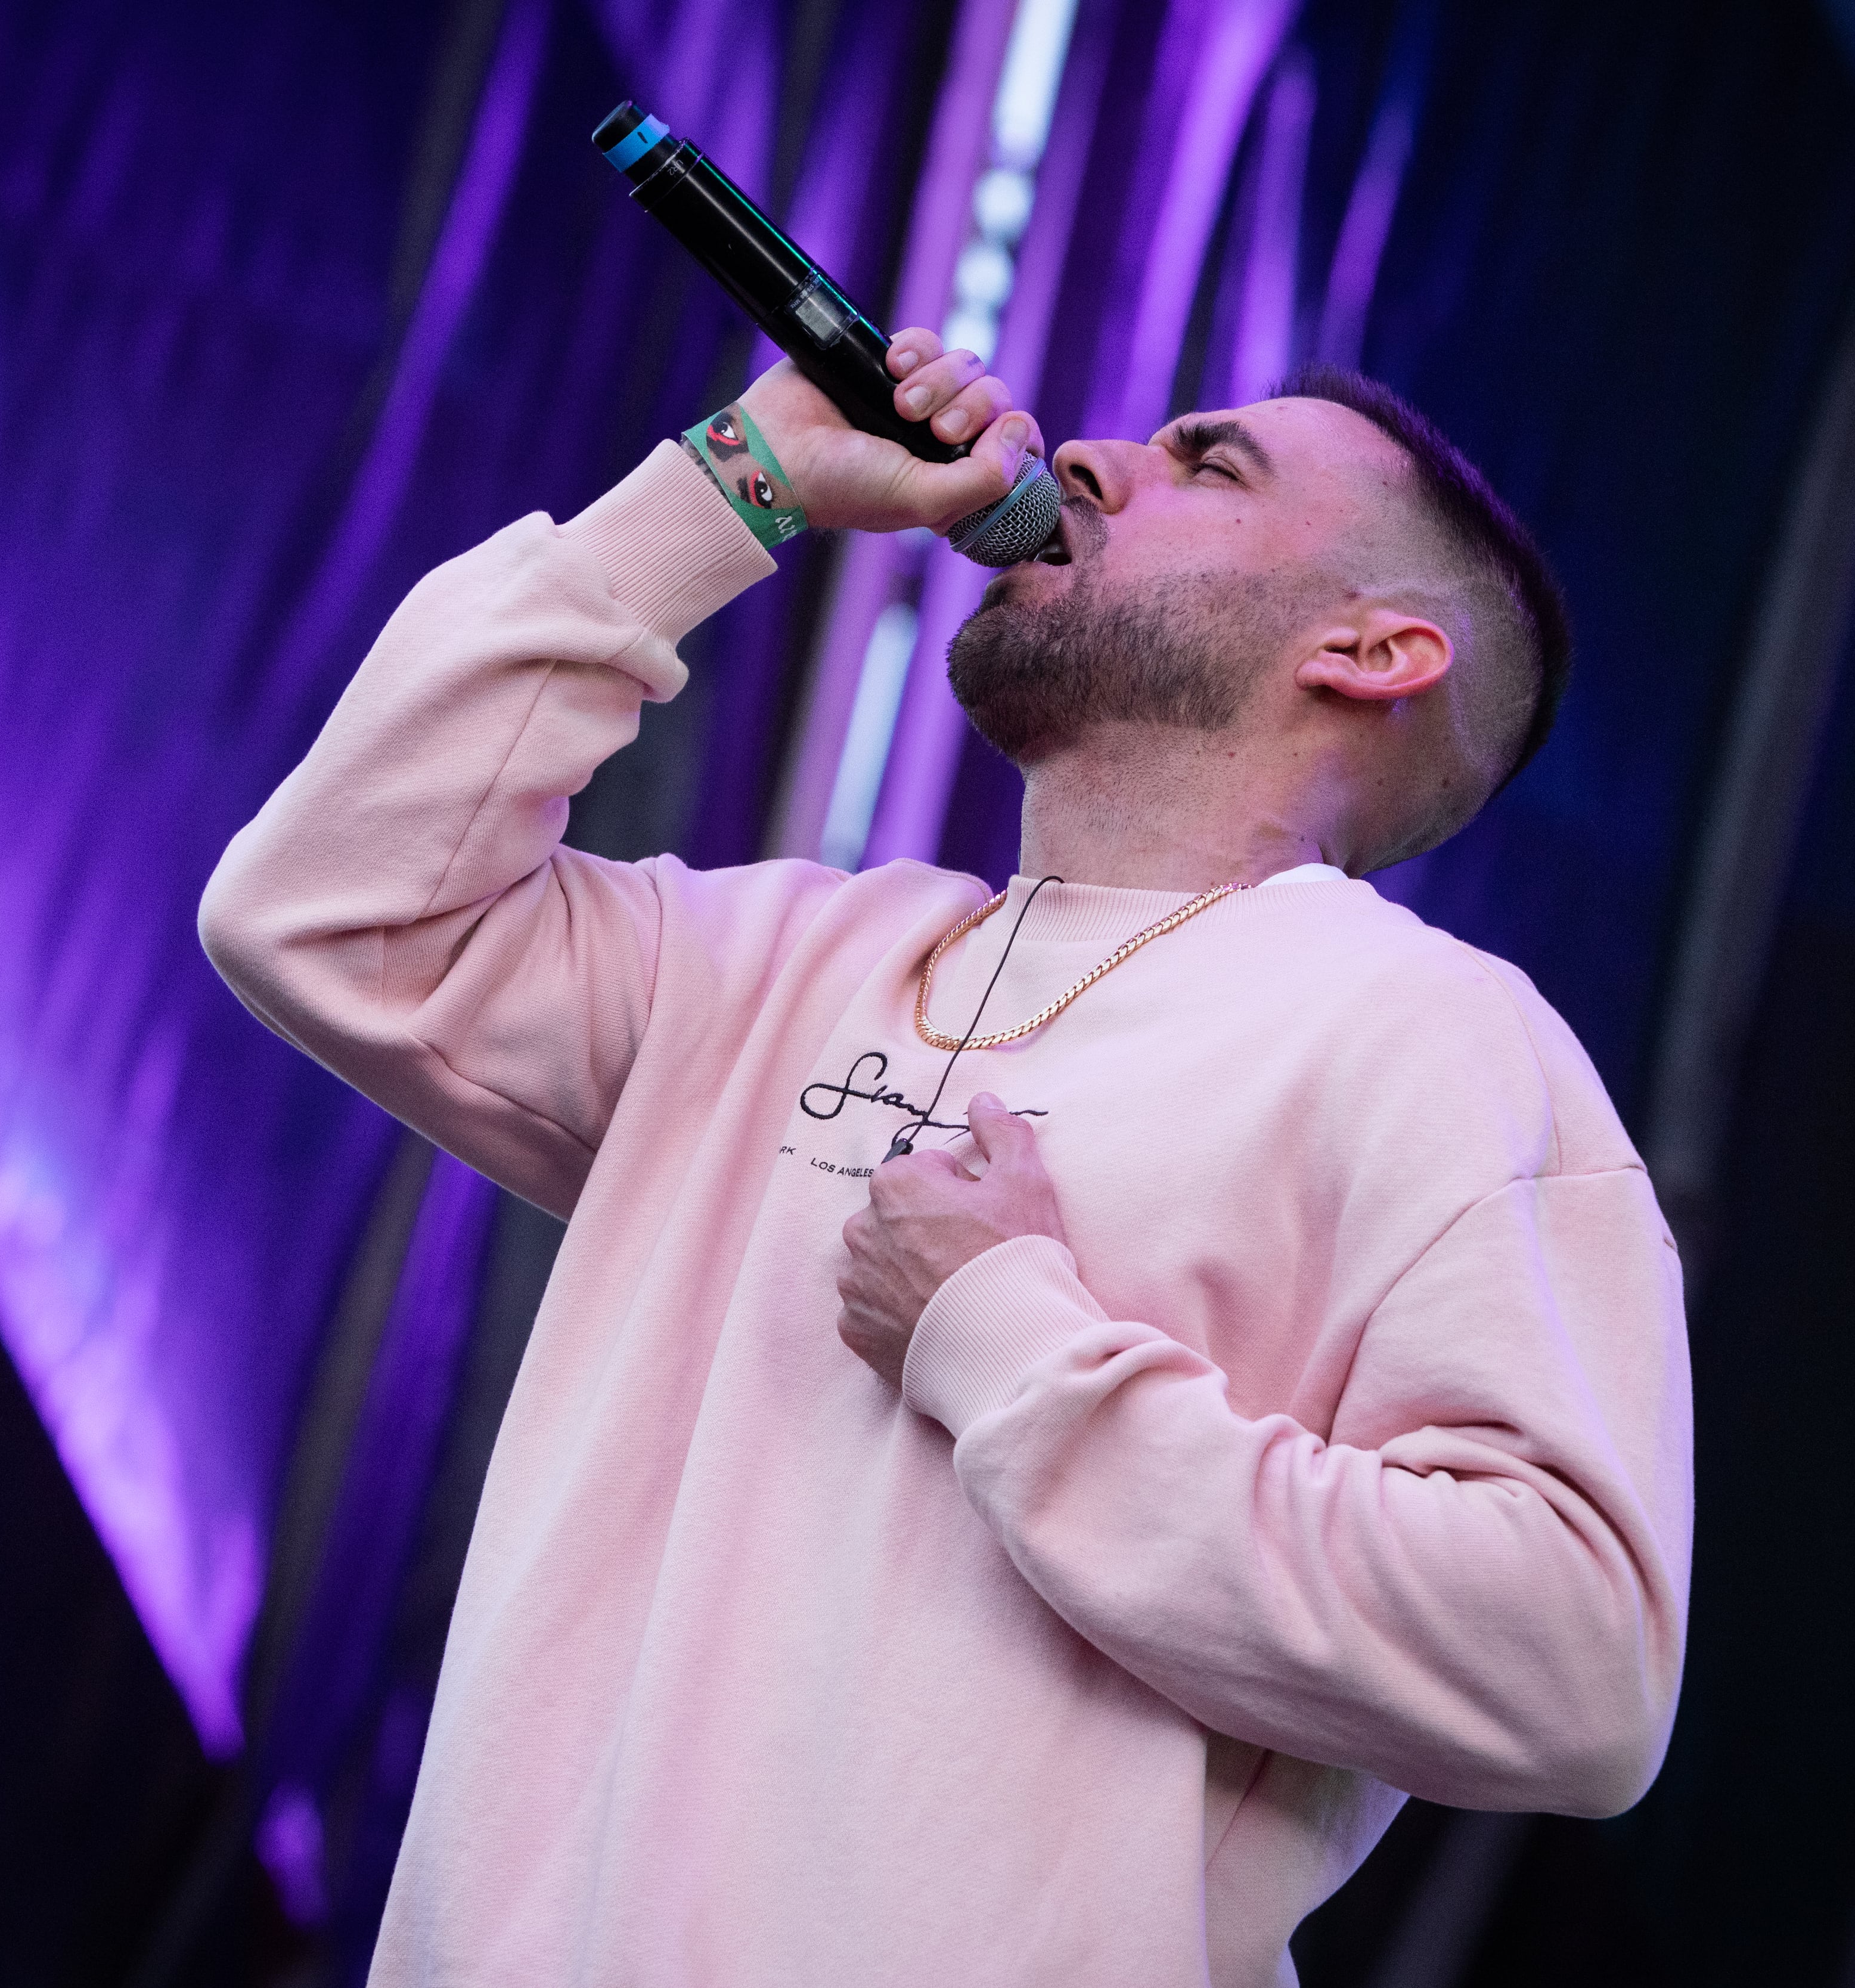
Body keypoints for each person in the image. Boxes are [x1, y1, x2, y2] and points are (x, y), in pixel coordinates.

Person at [200, 327, 1692, 1987]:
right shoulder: (775, 963)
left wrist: (1009, 1337)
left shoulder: (1431, 1041)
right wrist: (732, 484)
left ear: (1372, 647)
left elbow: (1576, 1664)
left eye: (1208, 463)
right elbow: (326, 911)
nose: (1098, 459)